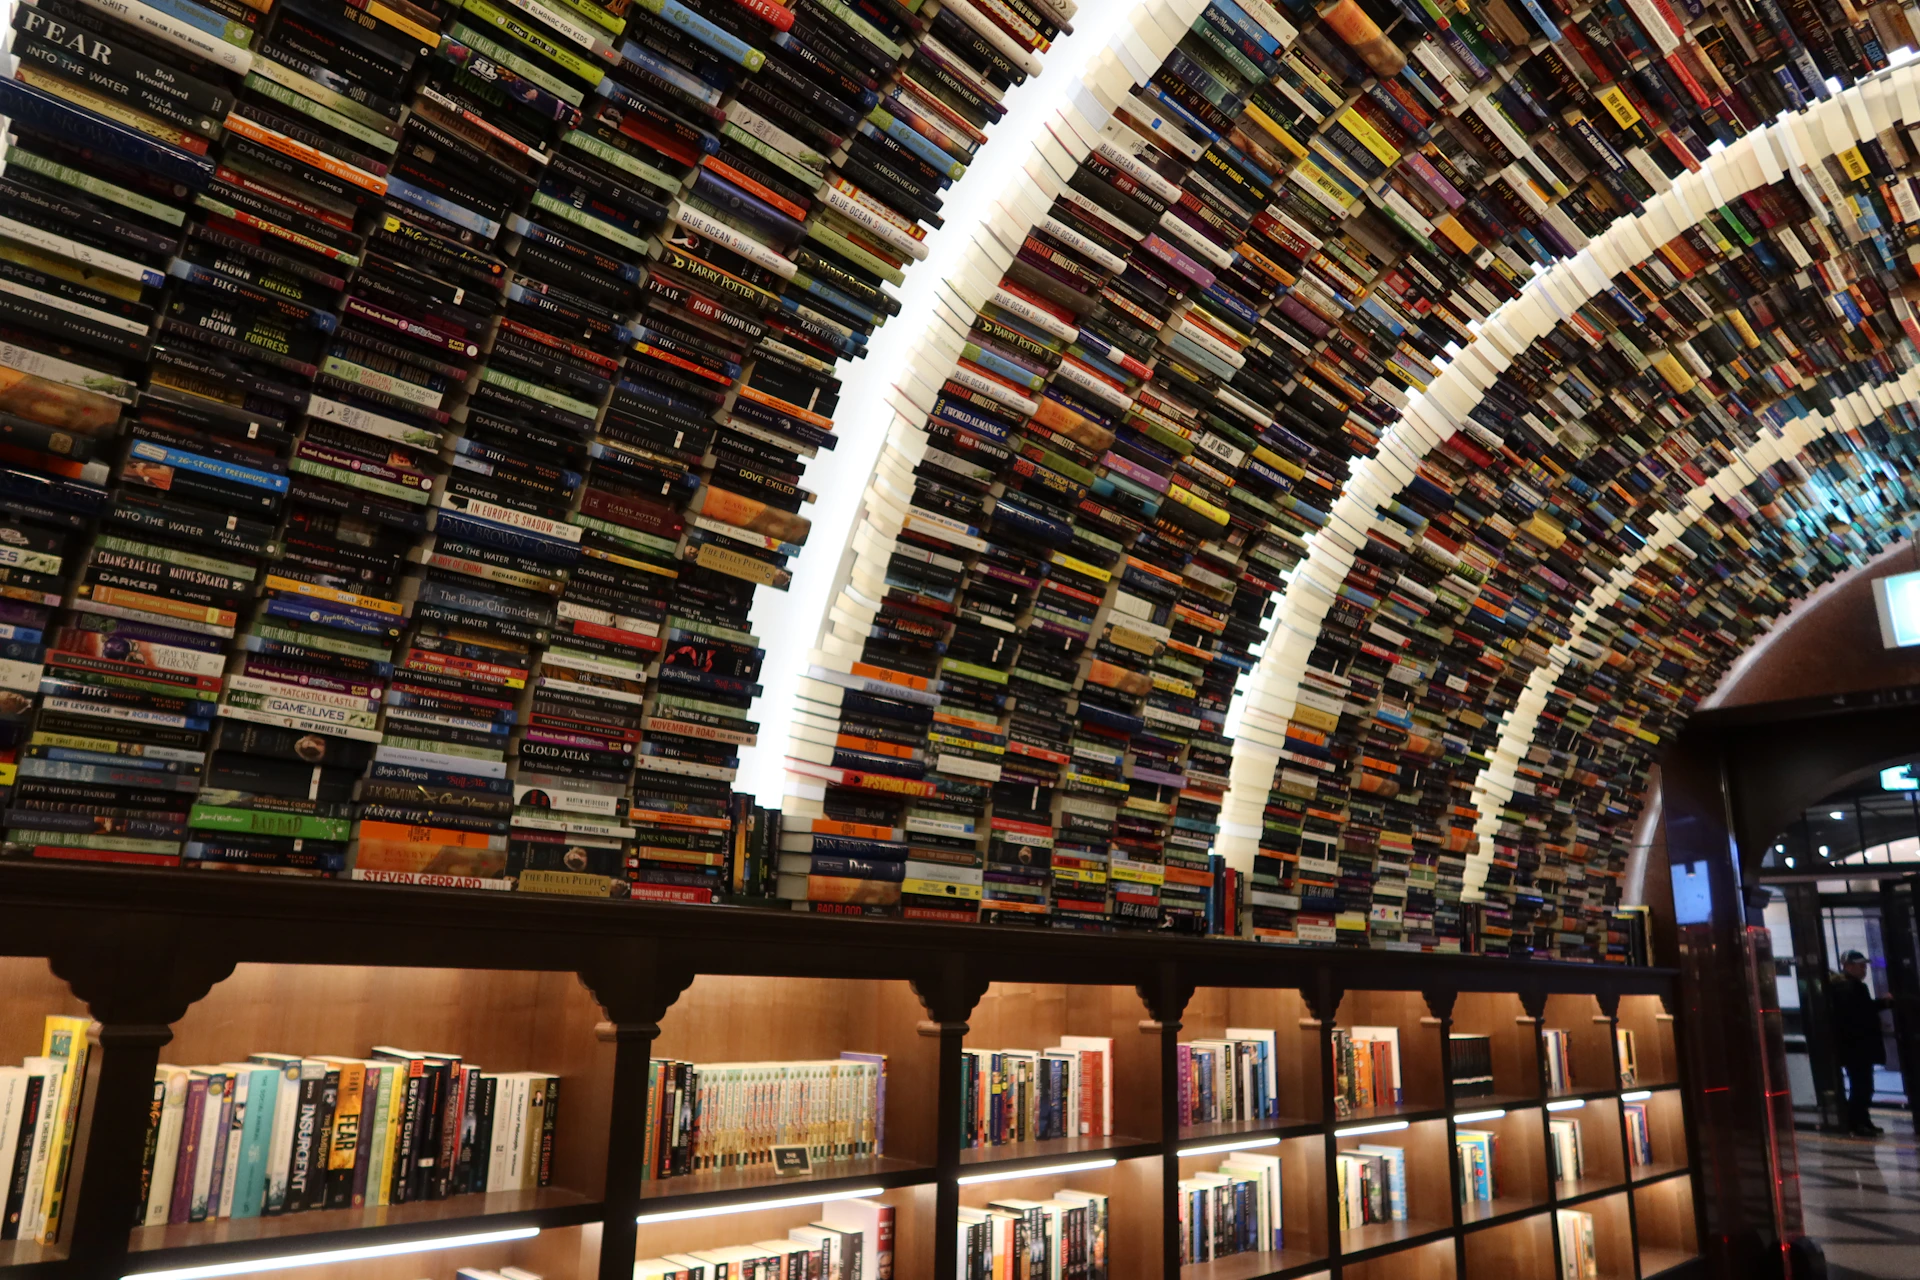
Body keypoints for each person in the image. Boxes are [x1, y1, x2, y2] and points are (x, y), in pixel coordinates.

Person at [1830, 950, 1893, 1137]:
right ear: (1848, 966)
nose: (1863, 969)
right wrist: (1883, 1004)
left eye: (1864, 966)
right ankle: (1857, 1122)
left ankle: (1862, 1121)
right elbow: (1862, 1013)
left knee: (1862, 1085)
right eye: (1860, 965)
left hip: (1853, 1048)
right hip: (1858, 1047)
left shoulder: (1844, 988)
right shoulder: (1851, 988)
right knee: (1862, 1086)